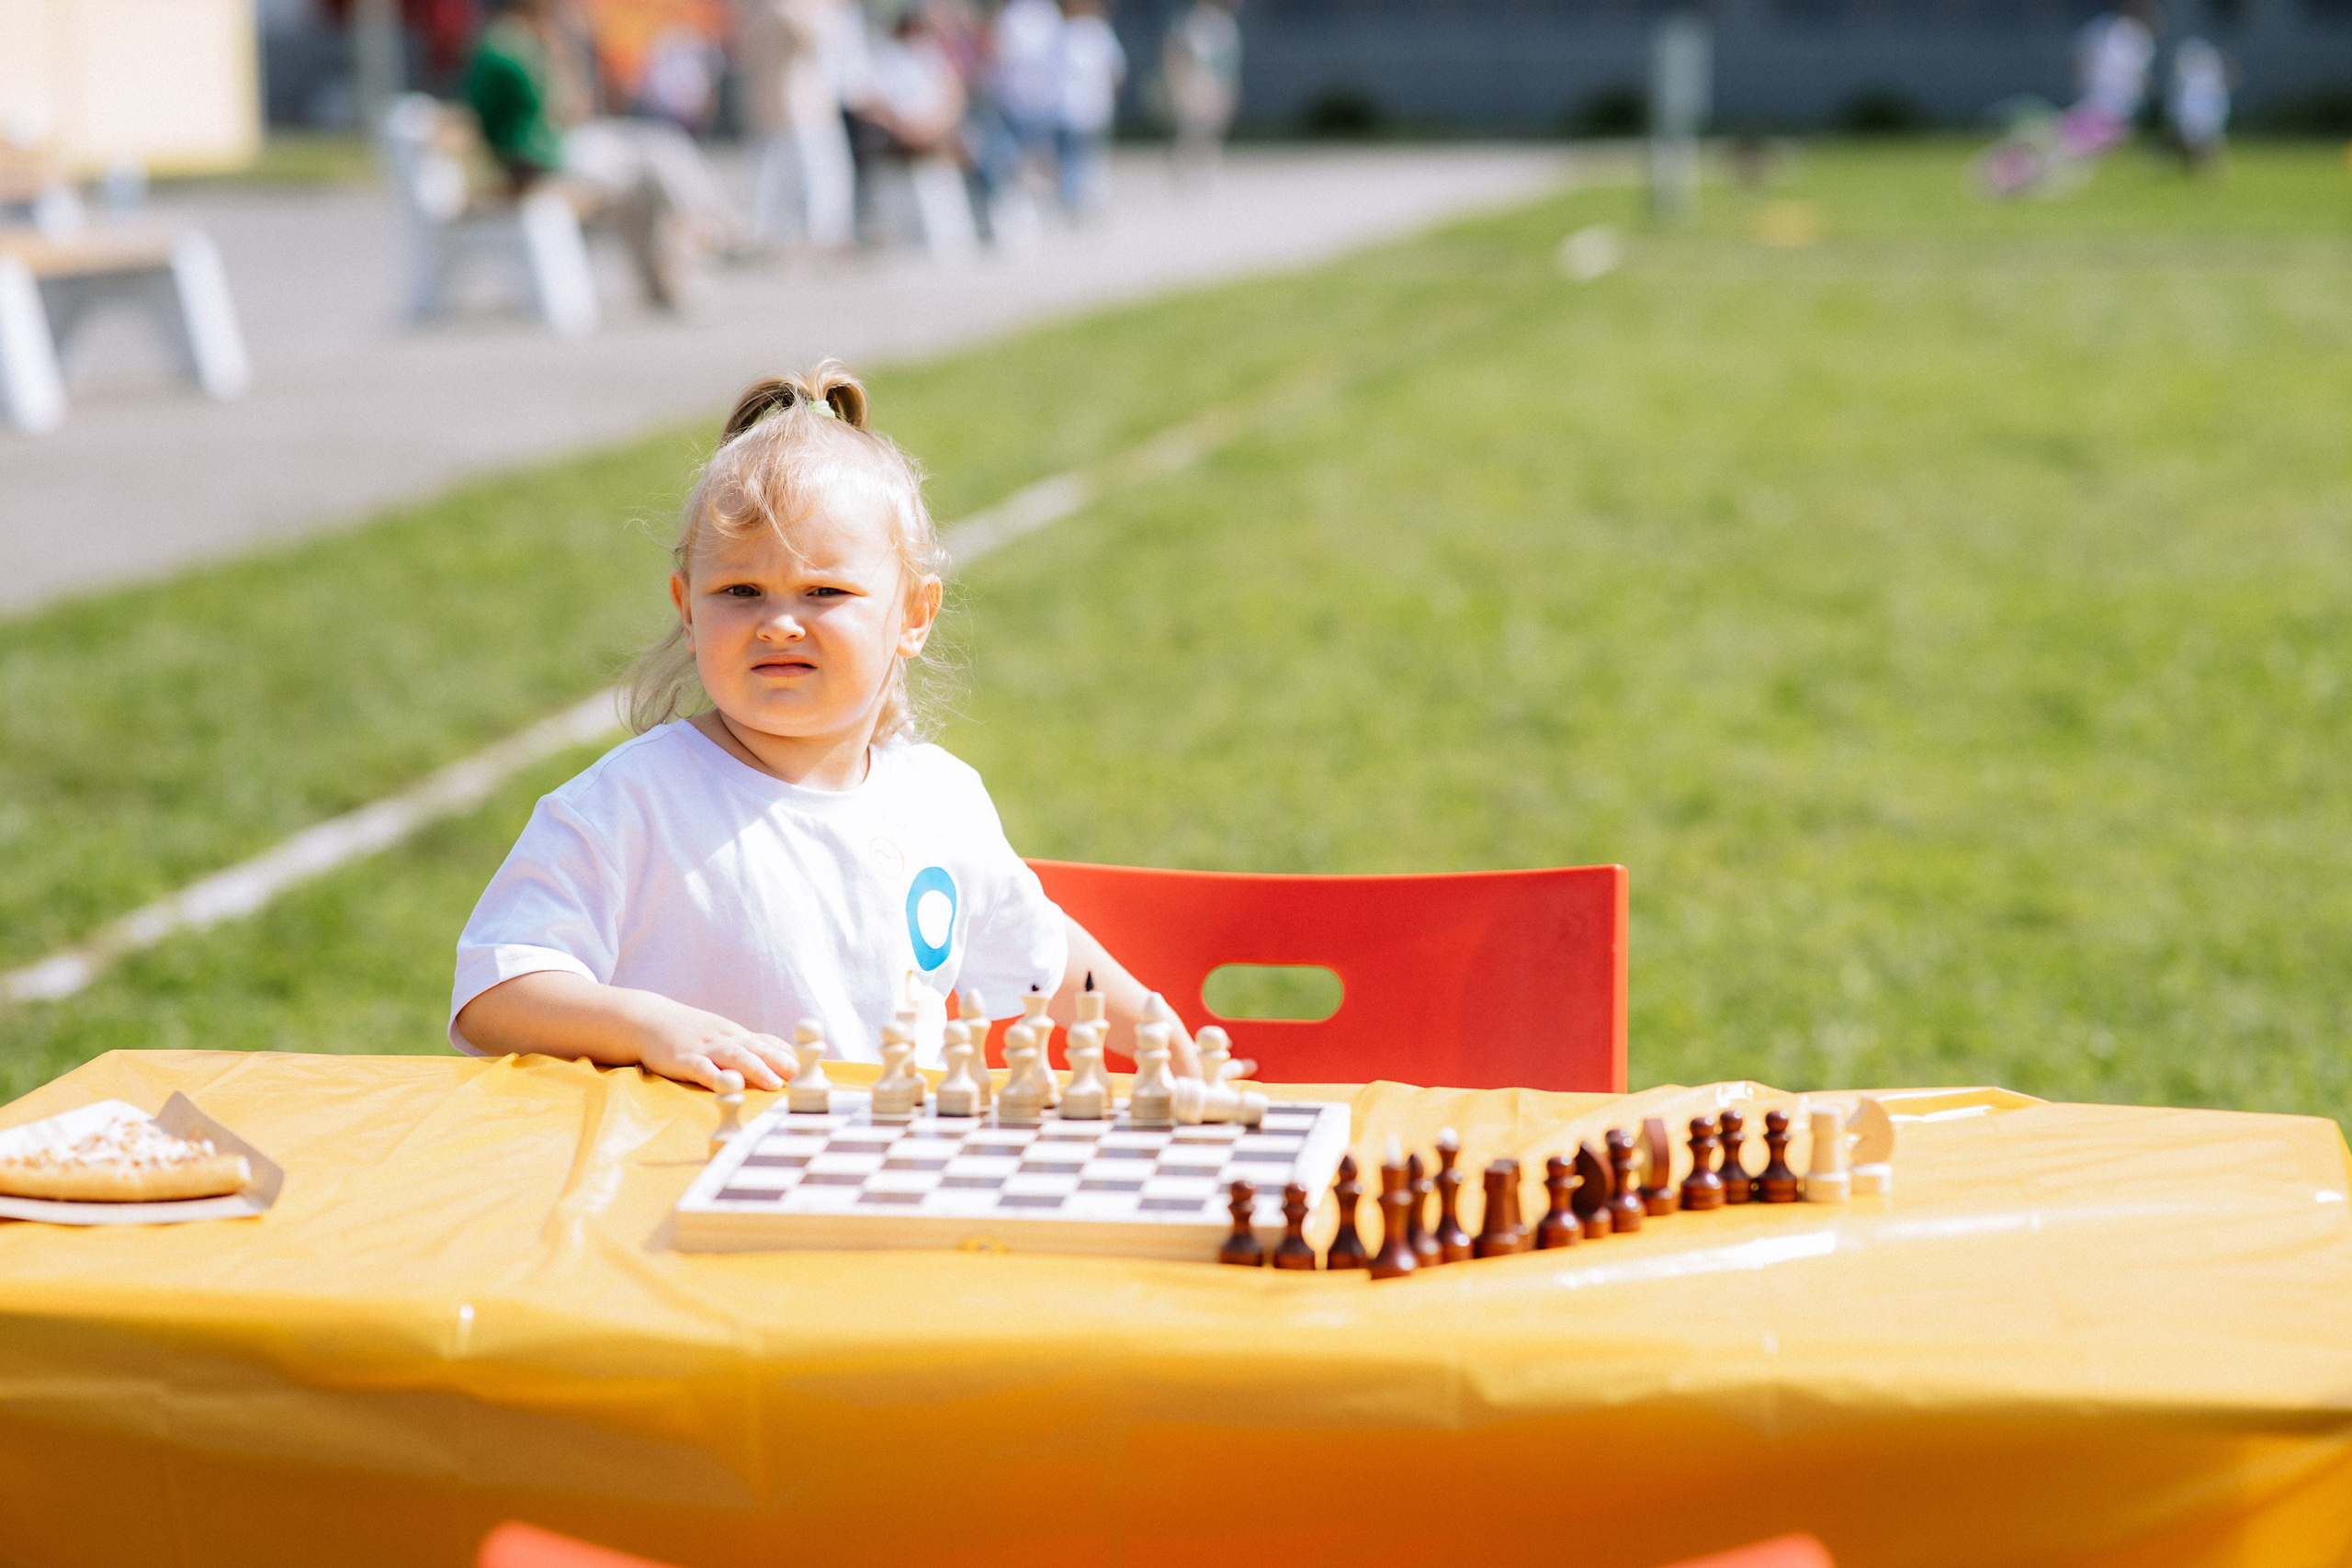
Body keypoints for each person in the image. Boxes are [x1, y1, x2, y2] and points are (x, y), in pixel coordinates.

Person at [451, 363, 1197, 1091]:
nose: (778, 623)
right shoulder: (627, 803)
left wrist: (1160, 1032)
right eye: (739, 590)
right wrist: (650, 1026)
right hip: (685, 1188)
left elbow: (1044, 958)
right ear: (686, 608)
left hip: (893, 1182)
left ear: (914, 615)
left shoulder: (942, 799)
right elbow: (496, 990)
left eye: (823, 591)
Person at [1054, 0, 1125, 217]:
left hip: (1074, 108)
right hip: (1089, 107)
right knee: (1089, 157)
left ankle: (1074, 203)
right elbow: (1117, 71)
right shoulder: (1097, 32)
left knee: (1075, 157)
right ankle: (1086, 202)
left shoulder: (1067, 32)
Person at [1161, 0, 1238, 182]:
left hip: (1215, 83)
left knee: (1210, 129)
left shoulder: (1225, 24)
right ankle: (1186, 171)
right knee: (1191, 128)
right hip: (1194, 81)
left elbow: (1228, 62)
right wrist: (1179, 83)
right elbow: (1175, 53)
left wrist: (1228, 87)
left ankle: (1205, 171)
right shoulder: (1192, 21)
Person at [2169, 36, 2231, 172]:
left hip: (2204, 113)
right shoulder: (2190, 76)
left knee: (2209, 143)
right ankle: (2197, 170)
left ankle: (2212, 171)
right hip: (2193, 113)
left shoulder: (2208, 75)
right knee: (2193, 144)